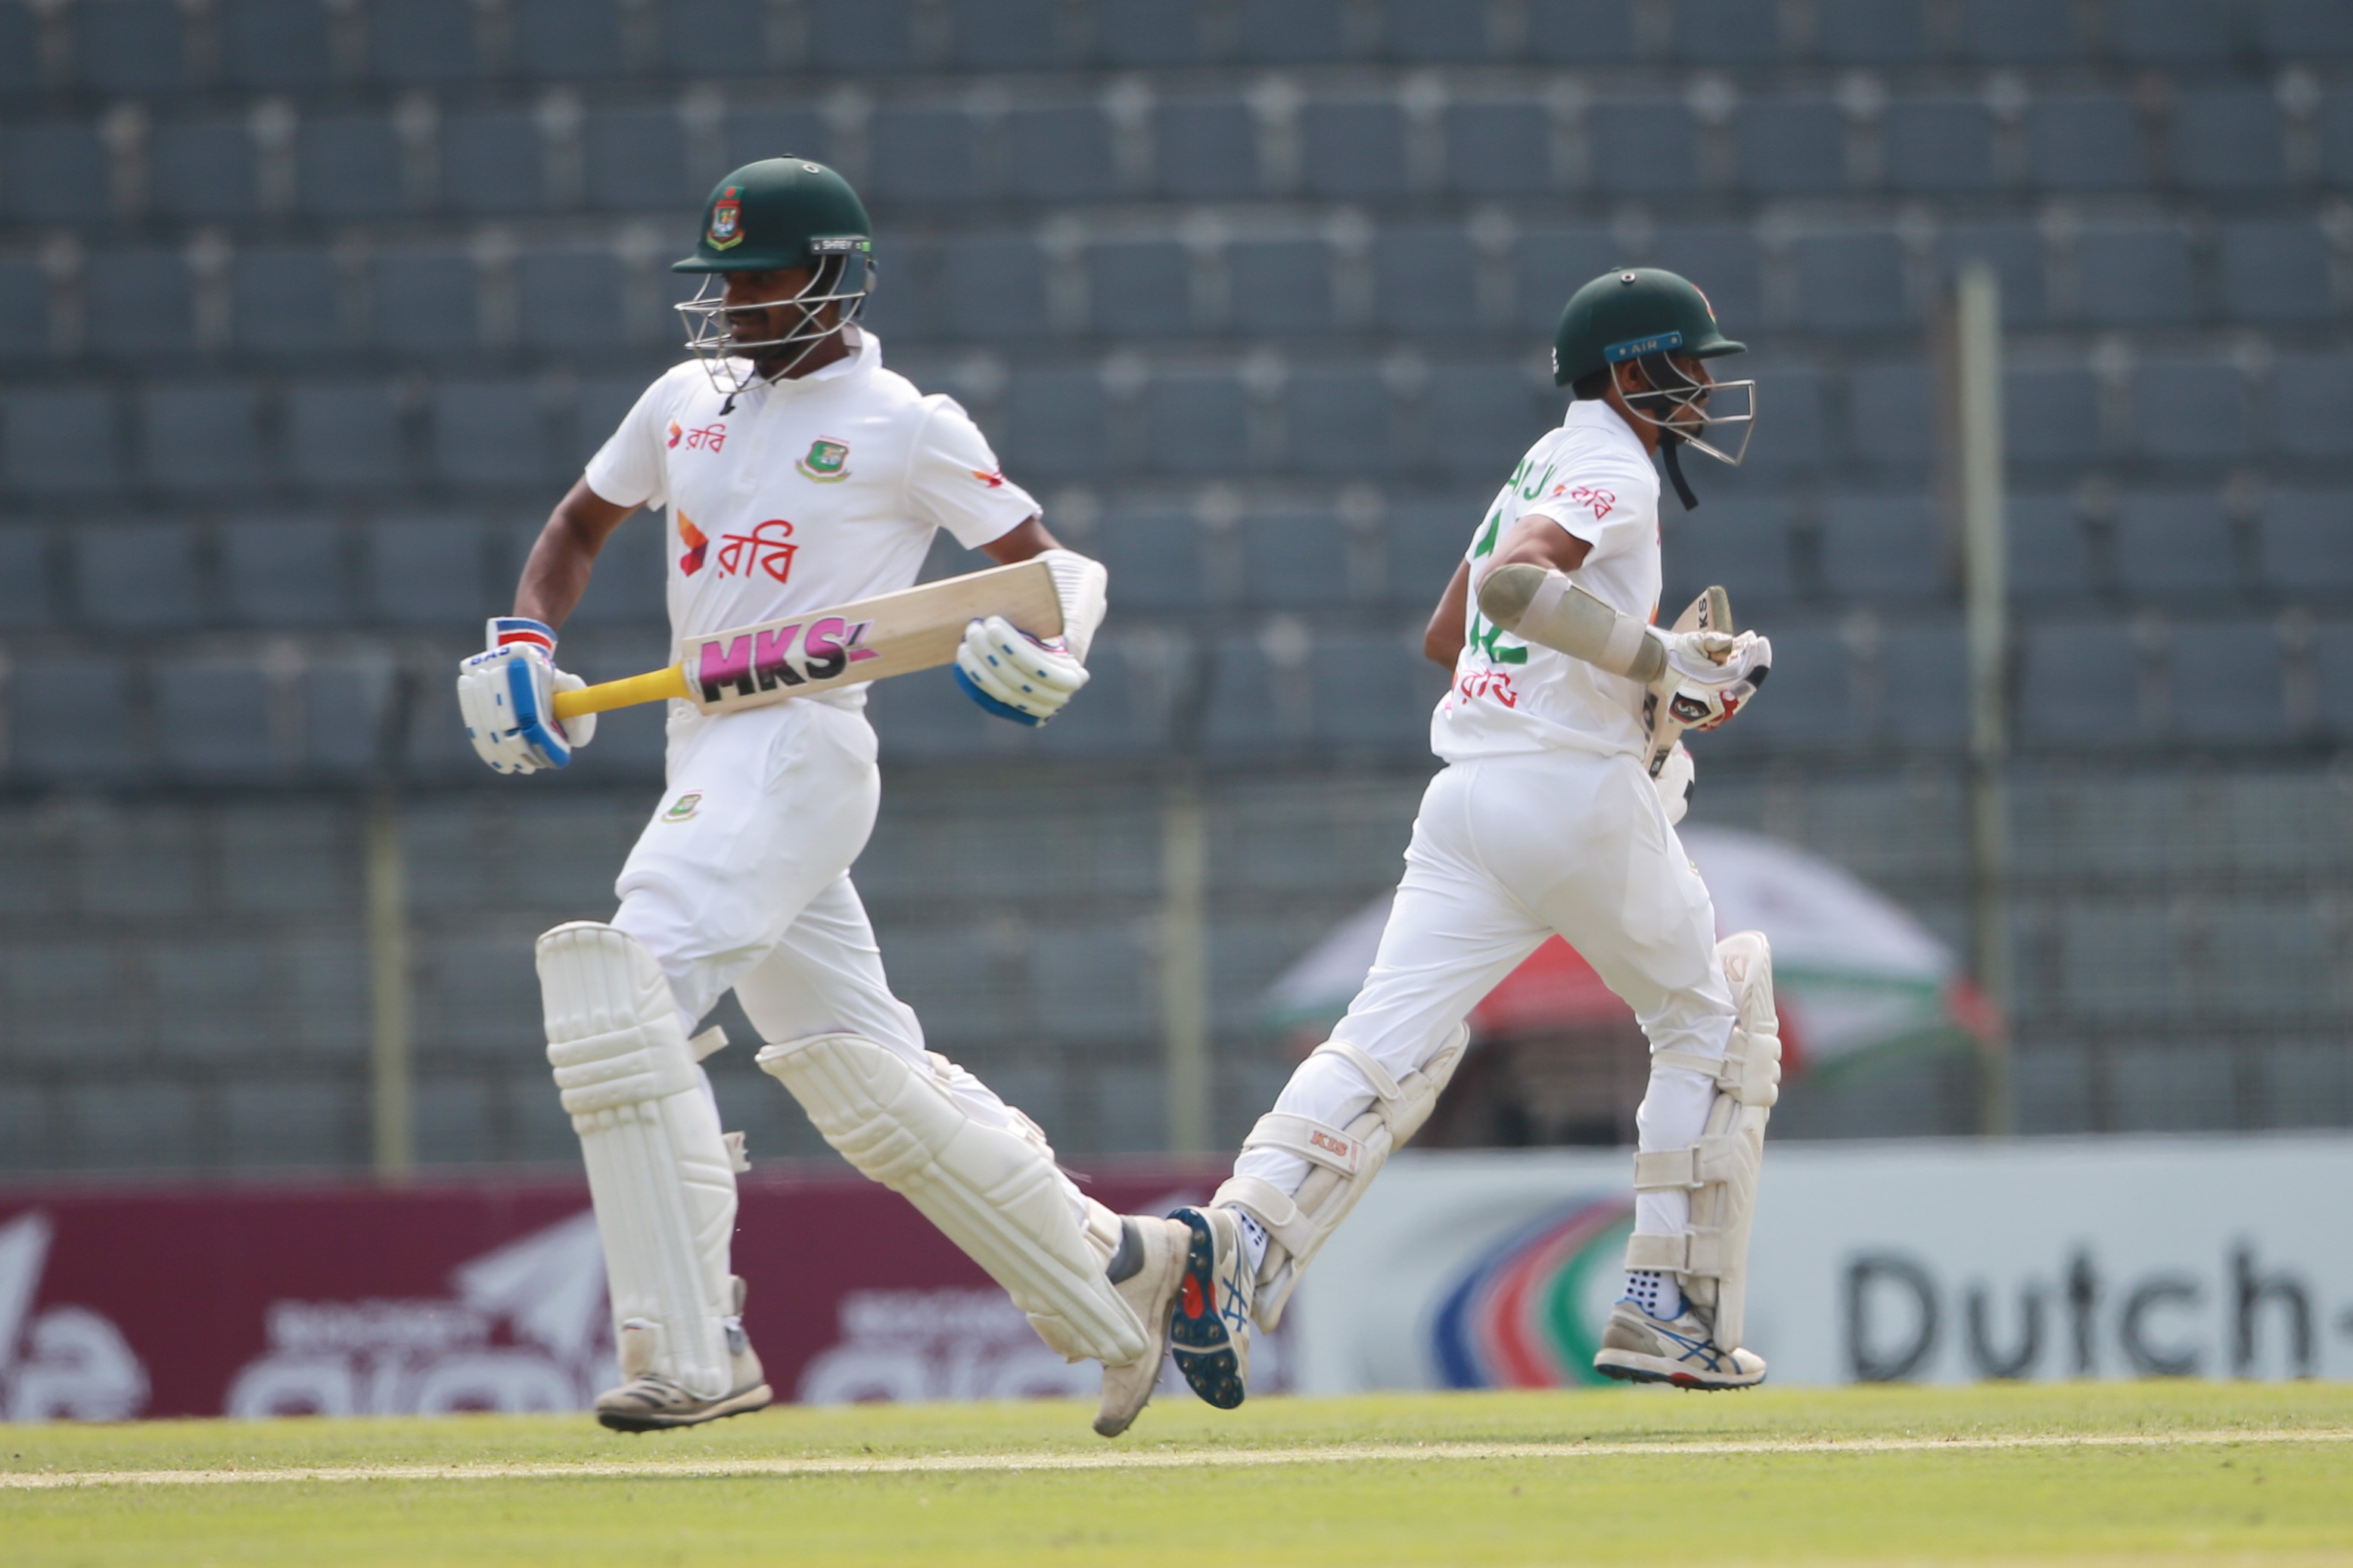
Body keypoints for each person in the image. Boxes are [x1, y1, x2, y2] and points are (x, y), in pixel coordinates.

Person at [455, 157, 1189, 1433]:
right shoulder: (684, 399)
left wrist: (1052, 648)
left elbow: (1054, 569)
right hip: (708, 746)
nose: (732, 302)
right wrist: (525, 640)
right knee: (862, 1073)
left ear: (835, 276)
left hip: (797, 741)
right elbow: (578, 526)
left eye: (759, 276)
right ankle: (1115, 1263)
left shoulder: (910, 425)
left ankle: (693, 1349)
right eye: (720, 279)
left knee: (619, 993)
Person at [1099, 267, 1783, 1434]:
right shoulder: (1610, 466)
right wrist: (1665, 666)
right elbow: (1519, 587)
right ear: (1627, 373)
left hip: (1466, 798)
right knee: (1712, 1026)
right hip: (1571, 796)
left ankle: (1234, 1237)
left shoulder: (1539, 460)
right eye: (1682, 368)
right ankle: (1663, 1304)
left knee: (1379, 1047)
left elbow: (1446, 630)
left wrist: (1649, 679)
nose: (1700, 391)